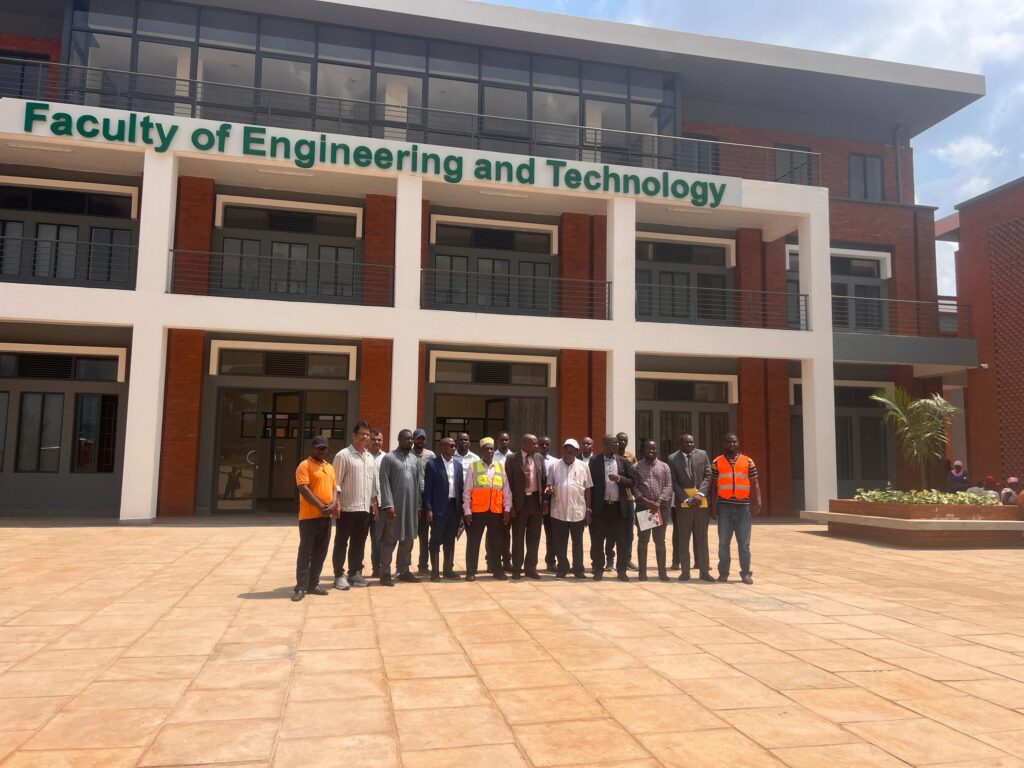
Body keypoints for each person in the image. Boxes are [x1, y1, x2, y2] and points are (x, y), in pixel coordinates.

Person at [330, 421, 378, 591]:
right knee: (341, 542)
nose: (365, 437)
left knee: (359, 542)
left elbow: (372, 484)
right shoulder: (343, 455)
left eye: (367, 434)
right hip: (347, 508)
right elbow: (335, 482)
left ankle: (354, 573)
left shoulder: (370, 458)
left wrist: (375, 503)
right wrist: (336, 503)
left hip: (364, 508)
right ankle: (338, 575)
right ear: (354, 436)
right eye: (362, 434)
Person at [711, 433, 761, 585]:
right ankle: (723, 573)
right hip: (724, 506)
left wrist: (758, 502)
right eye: (728, 442)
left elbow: (755, 483)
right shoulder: (717, 461)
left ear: (738, 443)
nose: (731, 444)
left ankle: (745, 573)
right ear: (724, 444)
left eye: (734, 442)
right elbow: (713, 485)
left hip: (743, 507)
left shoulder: (748, 461)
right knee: (723, 543)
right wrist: (713, 506)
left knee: (744, 543)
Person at [293, 436, 338, 602]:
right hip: (309, 517)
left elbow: (334, 488)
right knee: (306, 552)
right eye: (319, 448)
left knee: (320, 552)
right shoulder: (304, 466)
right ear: (312, 448)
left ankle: (313, 584)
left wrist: (333, 504)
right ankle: (300, 587)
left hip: (326, 517)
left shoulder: (330, 467)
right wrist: (321, 506)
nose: (321, 451)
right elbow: (304, 489)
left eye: (324, 448)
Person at [462, 437, 511, 581]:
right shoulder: (474, 467)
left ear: (494, 450)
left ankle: (497, 570)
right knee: (473, 542)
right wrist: (467, 511)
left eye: (491, 448)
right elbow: (467, 491)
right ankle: (471, 571)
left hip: (496, 511)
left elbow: (506, 490)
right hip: (477, 512)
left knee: (496, 543)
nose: (489, 451)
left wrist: (507, 509)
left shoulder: (500, 467)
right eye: (486, 449)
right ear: (481, 451)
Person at [377, 429, 422, 587]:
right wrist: (389, 505)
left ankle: (404, 570)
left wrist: (418, 505)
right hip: (394, 508)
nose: (410, 441)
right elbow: (384, 483)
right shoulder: (389, 458)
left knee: (408, 539)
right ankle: (385, 573)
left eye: (411, 439)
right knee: (389, 540)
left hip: (410, 507)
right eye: (407, 439)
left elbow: (417, 483)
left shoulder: (414, 459)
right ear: (399, 439)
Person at [667, 433, 714, 582]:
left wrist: (700, 494)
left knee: (702, 538)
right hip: (684, 503)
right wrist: (686, 498)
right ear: (680, 444)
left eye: (692, 442)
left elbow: (708, 476)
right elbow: (673, 481)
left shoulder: (702, 454)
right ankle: (685, 572)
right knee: (684, 538)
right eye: (687, 443)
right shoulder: (672, 458)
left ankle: (704, 572)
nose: (690, 445)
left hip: (701, 502)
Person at [589, 434, 634, 581]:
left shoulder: (623, 462)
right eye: (613, 442)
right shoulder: (595, 461)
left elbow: (632, 481)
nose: (616, 445)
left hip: (618, 508)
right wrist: (589, 508)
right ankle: (598, 569)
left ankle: (622, 571)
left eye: (616, 442)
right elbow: (590, 484)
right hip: (601, 508)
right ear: (605, 444)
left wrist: (619, 479)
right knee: (597, 540)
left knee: (622, 540)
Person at [545, 438, 593, 579]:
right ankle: (562, 568)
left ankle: (578, 569)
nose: (568, 454)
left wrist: (588, 510)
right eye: (566, 451)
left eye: (571, 452)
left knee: (577, 543)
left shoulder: (584, 466)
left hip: (577, 511)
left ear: (576, 452)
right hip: (558, 511)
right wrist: (549, 489)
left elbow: (588, 489)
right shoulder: (554, 465)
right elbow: (549, 484)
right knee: (560, 543)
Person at [505, 433, 547, 580]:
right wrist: (511, 506)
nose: (537, 446)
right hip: (519, 504)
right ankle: (517, 568)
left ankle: (531, 568)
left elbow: (543, 480)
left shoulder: (539, 458)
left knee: (534, 538)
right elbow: (507, 484)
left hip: (535, 502)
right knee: (518, 537)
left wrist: (545, 501)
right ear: (524, 444)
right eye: (534, 443)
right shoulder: (512, 459)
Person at [422, 437, 464, 581]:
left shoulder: (458, 465)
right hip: (438, 509)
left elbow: (460, 488)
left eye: (454, 446)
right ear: (442, 447)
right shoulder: (432, 464)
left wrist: (462, 509)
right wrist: (428, 509)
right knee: (435, 540)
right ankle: (435, 571)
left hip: (454, 508)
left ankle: (448, 570)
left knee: (450, 540)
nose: (454, 448)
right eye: (451, 446)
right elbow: (428, 489)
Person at [633, 440, 673, 582]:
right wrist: (647, 502)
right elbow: (634, 487)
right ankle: (642, 573)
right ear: (643, 450)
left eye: (654, 449)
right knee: (643, 540)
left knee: (660, 541)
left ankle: (662, 573)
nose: (651, 451)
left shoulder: (664, 467)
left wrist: (658, 502)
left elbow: (668, 486)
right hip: (644, 507)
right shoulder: (636, 467)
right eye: (648, 448)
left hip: (659, 508)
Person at [614, 431, 639, 573]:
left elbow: (635, 477)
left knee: (629, 532)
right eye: (620, 440)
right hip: (614, 498)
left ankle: (627, 559)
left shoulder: (631, 457)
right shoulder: (611, 456)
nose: (622, 442)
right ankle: (610, 560)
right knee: (612, 533)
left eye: (625, 440)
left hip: (628, 498)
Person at [413, 428, 436, 575]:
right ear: (413, 439)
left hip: (426, 495)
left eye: (422, 438)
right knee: (408, 534)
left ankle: (423, 566)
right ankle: (401, 567)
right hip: (411, 497)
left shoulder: (430, 455)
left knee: (424, 534)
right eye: (418, 438)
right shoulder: (408, 454)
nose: (420, 441)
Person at [493, 431, 514, 573]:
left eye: (506, 440)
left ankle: (506, 561)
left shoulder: (514, 457)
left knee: (506, 533)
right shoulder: (491, 456)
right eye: (502, 440)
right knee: (492, 533)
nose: (504, 442)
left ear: (509, 441)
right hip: (494, 500)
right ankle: (491, 561)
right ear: (497, 441)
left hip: (508, 500)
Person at [538, 435, 559, 571]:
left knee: (551, 533)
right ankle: (528, 564)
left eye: (547, 444)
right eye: (542, 444)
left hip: (550, 501)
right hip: (533, 501)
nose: (544, 446)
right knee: (532, 534)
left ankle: (551, 561)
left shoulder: (555, 462)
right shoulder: (532, 460)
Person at [368, 428, 386, 578]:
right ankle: (356, 569)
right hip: (362, 504)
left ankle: (377, 567)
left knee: (377, 538)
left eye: (379, 439)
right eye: (374, 439)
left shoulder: (387, 458)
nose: (376, 442)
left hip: (379, 504)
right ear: (369, 440)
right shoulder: (363, 456)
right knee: (358, 539)